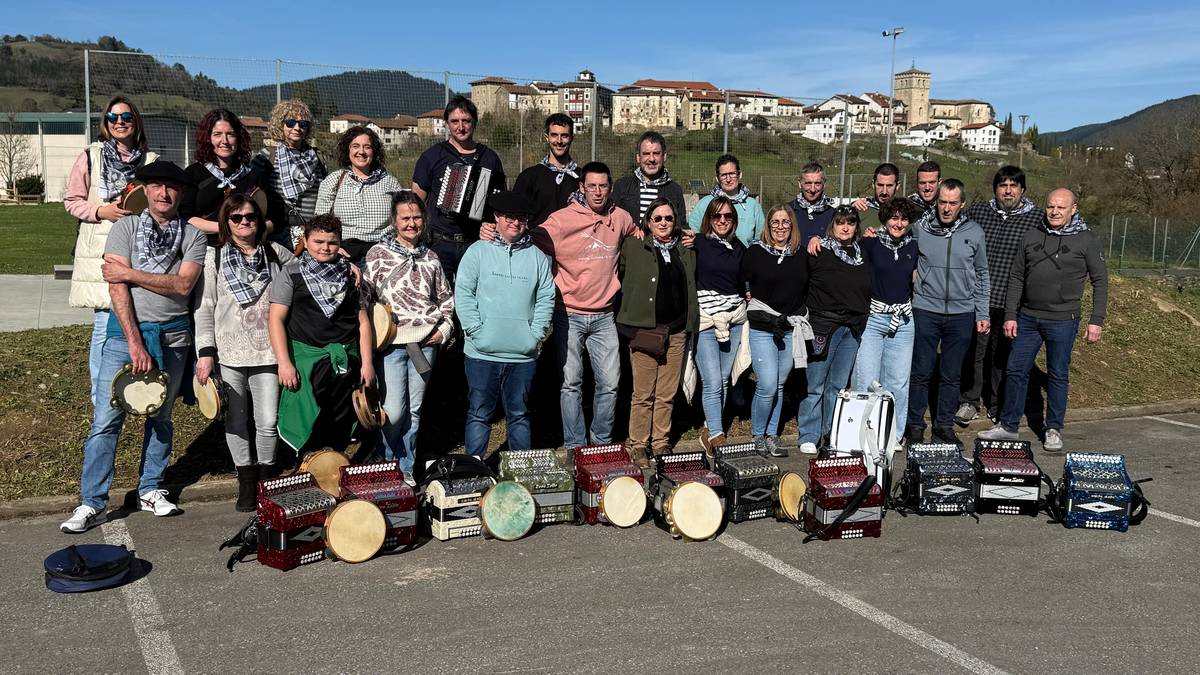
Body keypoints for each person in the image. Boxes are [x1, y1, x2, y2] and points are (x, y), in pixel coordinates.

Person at [60, 160, 203, 534]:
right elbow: (116, 287)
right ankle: (92, 501)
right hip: (124, 337)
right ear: (145, 190)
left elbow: (183, 286)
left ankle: (151, 489)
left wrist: (131, 273)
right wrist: (136, 342)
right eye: (156, 186)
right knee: (106, 420)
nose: (163, 193)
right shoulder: (124, 228)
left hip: (174, 335)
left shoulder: (193, 236)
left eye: (171, 187)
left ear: (181, 193)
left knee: (161, 415)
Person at [978, 189, 1107, 452]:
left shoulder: (1087, 240)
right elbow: (1016, 278)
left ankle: (1053, 428)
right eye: (1050, 207)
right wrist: (1011, 315)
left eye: (1061, 207)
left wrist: (1097, 320)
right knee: (1015, 370)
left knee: (1058, 374)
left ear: (1074, 209)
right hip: (1027, 318)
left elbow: (1100, 281)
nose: (1055, 212)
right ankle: (1008, 426)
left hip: (1063, 319)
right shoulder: (1032, 235)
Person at [194, 194, 295, 511]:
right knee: (235, 421)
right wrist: (205, 351)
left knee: (266, 421)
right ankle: (246, 481)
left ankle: (266, 478)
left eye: (250, 216)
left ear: (259, 220)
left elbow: (309, 271)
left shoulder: (275, 253)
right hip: (230, 353)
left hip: (268, 352)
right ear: (226, 222)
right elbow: (204, 307)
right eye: (236, 218)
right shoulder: (215, 257)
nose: (244, 223)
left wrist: (344, 264)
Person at [528, 162, 636, 449]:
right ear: (582, 188)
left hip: (604, 316)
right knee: (570, 384)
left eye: (603, 186)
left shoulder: (621, 218)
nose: (598, 192)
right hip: (569, 313)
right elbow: (530, 239)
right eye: (592, 186)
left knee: (610, 384)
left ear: (610, 188)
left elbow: (640, 235)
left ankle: (600, 442)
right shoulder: (562, 219)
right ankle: (574, 445)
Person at [64, 96, 158, 408]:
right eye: (113, 117)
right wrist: (102, 211)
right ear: (106, 122)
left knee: (138, 321)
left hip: (141, 251)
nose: (120, 122)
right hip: (102, 251)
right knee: (106, 324)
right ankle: (101, 397)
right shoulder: (91, 156)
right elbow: (72, 200)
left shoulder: (150, 161)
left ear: (136, 121)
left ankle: (139, 390)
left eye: (126, 116)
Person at [455, 192, 554, 458]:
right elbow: (463, 293)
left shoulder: (538, 258)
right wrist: (476, 331)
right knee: (479, 414)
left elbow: (546, 298)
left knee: (519, 415)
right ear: (497, 218)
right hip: (481, 353)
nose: (515, 223)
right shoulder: (477, 252)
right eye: (509, 217)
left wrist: (535, 336)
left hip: (523, 355)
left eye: (521, 218)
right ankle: (474, 469)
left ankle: (518, 471)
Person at [363, 192, 454, 476]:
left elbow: (446, 299)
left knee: (414, 411)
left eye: (416, 217)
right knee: (394, 411)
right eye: (405, 218)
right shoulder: (377, 254)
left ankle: (405, 470)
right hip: (391, 344)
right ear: (394, 221)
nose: (411, 223)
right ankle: (387, 461)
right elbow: (365, 299)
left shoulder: (432, 258)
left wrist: (444, 330)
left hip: (425, 343)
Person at [270, 214, 374, 454]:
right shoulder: (291, 274)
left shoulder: (351, 275)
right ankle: (306, 469)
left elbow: (362, 322)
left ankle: (334, 467)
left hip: (345, 358)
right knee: (307, 416)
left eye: (332, 242)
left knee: (340, 417)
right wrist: (284, 363)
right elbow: (276, 318)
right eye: (318, 241)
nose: (325, 248)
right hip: (307, 359)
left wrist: (367, 363)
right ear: (305, 241)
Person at [955, 165, 1044, 426]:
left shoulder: (1036, 218)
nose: (1008, 190)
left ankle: (996, 405)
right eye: (1003, 185)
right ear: (995, 189)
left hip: (1011, 301)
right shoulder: (979, 212)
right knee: (973, 353)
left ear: (1022, 190)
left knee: (1001, 357)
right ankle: (969, 401)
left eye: (1013, 186)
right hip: (977, 298)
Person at [905, 179, 990, 447]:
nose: (946, 208)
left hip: (961, 313)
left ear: (961, 204)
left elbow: (982, 274)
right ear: (936, 202)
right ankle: (915, 425)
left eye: (953, 203)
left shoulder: (974, 231)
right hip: (925, 309)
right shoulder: (920, 228)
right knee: (921, 371)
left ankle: (943, 426)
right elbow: (901, 249)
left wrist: (982, 312)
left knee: (951, 374)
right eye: (942, 202)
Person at [617, 197, 698, 466]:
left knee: (666, 393)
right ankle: (638, 443)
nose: (663, 223)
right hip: (645, 332)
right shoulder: (634, 245)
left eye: (669, 218)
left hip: (676, 331)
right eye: (658, 218)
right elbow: (621, 271)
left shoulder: (685, 249)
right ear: (648, 222)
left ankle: (660, 441)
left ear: (676, 223)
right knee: (643, 393)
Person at [796, 206, 871, 454]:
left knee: (837, 386)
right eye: (840, 222)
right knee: (815, 383)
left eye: (850, 222)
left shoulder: (863, 252)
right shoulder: (819, 249)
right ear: (832, 225)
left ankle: (831, 433)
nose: (845, 227)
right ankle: (809, 434)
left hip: (852, 327)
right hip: (823, 326)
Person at [412, 95, 507, 281]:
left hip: (475, 242)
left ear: (475, 122)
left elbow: (500, 203)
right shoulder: (432, 156)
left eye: (466, 121)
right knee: (440, 298)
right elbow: (416, 203)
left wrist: (491, 225)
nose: (460, 127)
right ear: (447, 123)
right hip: (439, 242)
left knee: (473, 299)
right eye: (454, 121)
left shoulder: (490, 158)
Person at [848, 202, 919, 445]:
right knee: (866, 378)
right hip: (874, 319)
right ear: (884, 220)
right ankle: (861, 433)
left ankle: (893, 435)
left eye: (903, 219)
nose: (898, 224)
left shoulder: (914, 246)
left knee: (898, 382)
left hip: (904, 320)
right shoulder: (871, 243)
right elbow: (844, 241)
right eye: (894, 219)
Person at [742, 206, 809, 458]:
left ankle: (772, 434)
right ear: (768, 226)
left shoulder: (801, 255)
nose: (780, 227)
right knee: (767, 384)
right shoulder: (755, 253)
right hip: (763, 327)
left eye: (785, 222)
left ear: (792, 225)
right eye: (775, 222)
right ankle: (757, 434)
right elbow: (742, 281)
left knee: (780, 385)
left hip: (791, 328)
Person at [691, 196, 748, 451]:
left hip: (734, 318)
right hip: (706, 320)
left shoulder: (739, 248)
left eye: (727, 216)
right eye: (717, 216)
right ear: (709, 219)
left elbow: (744, 281)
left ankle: (710, 425)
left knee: (723, 379)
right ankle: (716, 434)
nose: (722, 220)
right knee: (712, 380)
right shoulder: (698, 243)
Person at [181, 108, 281, 237]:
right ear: (207, 138)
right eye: (217, 134)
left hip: (245, 245)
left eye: (230, 134)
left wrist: (251, 231)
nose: (225, 141)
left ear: (238, 138)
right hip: (204, 245)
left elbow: (275, 217)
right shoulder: (194, 173)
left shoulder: (253, 175)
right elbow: (185, 216)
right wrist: (227, 228)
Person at [314, 125, 402, 264]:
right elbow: (320, 223)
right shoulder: (334, 180)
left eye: (367, 147)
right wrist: (334, 249)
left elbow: (401, 221)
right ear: (347, 150)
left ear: (374, 151)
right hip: (345, 253)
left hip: (383, 253)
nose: (361, 152)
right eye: (355, 146)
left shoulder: (390, 182)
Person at [260, 99, 328, 248]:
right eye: (290, 123)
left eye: (303, 124)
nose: (297, 128)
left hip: (311, 232)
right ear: (280, 125)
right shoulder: (267, 156)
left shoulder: (317, 158)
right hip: (277, 230)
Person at [513, 113, 579, 228]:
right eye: (554, 135)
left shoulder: (582, 178)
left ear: (572, 138)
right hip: (537, 244)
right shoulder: (529, 177)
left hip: (572, 244)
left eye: (564, 135)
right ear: (547, 137)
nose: (559, 141)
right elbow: (514, 215)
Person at [688, 154, 764, 244]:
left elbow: (761, 238)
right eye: (723, 175)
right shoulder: (704, 204)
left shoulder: (753, 205)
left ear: (740, 175)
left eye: (732, 174)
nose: (728, 179)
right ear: (717, 178)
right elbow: (693, 233)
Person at [612, 131, 686, 224]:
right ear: (638, 158)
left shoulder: (675, 190)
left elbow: (681, 226)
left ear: (664, 157)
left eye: (656, 153)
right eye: (646, 153)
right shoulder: (622, 186)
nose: (651, 159)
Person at [788, 162, 837, 241]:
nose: (812, 189)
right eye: (808, 183)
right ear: (800, 184)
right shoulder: (787, 211)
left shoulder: (833, 214)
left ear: (824, 185)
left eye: (817, 183)